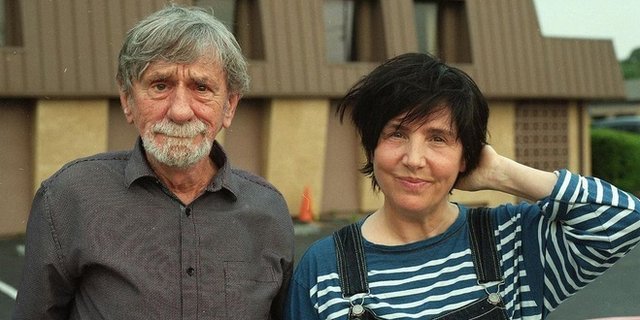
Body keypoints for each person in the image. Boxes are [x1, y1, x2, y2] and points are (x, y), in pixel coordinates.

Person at [284, 53, 640, 319]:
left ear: (467, 156)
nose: (414, 158)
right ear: (372, 146)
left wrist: (501, 173)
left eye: (438, 138)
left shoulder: (514, 241)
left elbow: (625, 222)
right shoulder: (324, 267)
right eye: (397, 133)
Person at [13, 5, 294, 320]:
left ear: (228, 106)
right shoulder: (70, 197)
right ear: (127, 99)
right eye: (160, 85)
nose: (180, 111)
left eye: (202, 88)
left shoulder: (269, 212)